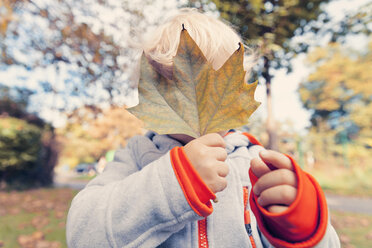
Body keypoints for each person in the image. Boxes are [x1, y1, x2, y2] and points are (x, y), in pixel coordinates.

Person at [66, 8, 340, 248]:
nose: (196, 101)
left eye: (215, 89)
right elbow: (83, 234)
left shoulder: (256, 160)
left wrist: (301, 224)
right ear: (150, 96)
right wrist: (174, 182)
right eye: (174, 87)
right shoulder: (138, 156)